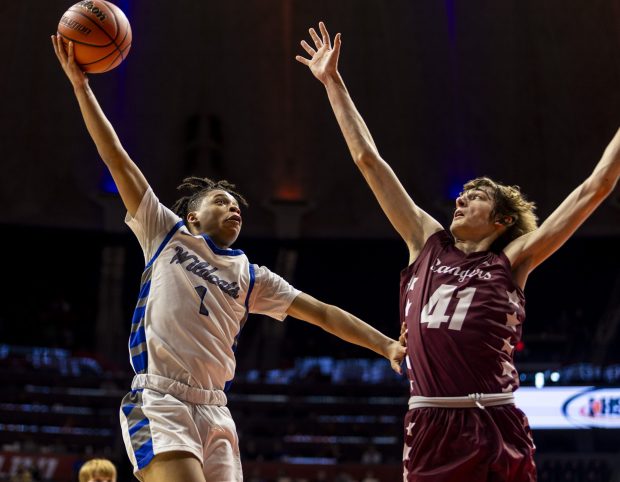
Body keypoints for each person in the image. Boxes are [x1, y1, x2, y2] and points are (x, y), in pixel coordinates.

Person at [51, 35, 405, 482]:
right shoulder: (166, 232)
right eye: (222, 200)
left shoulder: (252, 276)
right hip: (162, 399)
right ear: (193, 215)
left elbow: (325, 315)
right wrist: (82, 87)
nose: (234, 206)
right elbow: (115, 158)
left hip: (217, 408)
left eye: (238, 204)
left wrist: (387, 345)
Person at [297, 21, 620, 482]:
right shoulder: (425, 241)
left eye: (475, 195)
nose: (460, 199)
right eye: (461, 195)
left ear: (502, 220)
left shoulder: (514, 259)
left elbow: (595, 188)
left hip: (497, 419)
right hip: (432, 421)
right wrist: (333, 82)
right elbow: (369, 160)